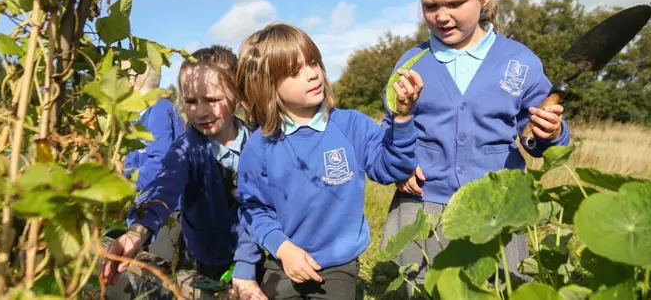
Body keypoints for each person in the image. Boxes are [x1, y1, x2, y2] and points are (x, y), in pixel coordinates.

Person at [380, 0, 571, 297]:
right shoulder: (411, 62)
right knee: (425, 289)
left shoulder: (519, 62)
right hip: (425, 208)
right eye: (431, 5)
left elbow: (536, 140)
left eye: (455, 3)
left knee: (494, 288)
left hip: (495, 210)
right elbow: (391, 129)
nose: (442, 15)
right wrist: (400, 166)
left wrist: (550, 132)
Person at [236, 22, 424, 299]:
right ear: (268, 86)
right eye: (294, 71)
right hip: (281, 262)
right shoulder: (259, 146)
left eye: (313, 63)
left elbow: (391, 167)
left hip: (338, 265)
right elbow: (254, 209)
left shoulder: (351, 125)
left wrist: (403, 118)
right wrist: (283, 249)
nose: (312, 74)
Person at [102, 46, 266, 300]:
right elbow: (165, 187)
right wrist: (138, 231)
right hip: (205, 257)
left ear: (237, 95)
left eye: (212, 100)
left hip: (254, 253)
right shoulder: (187, 148)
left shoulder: (259, 144)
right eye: (190, 102)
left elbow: (258, 208)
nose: (200, 111)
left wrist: (246, 267)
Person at [122, 61, 185, 192]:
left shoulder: (159, 109)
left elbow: (161, 159)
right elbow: (131, 160)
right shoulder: (138, 116)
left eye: (120, 76)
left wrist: (128, 186)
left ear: (131, 80)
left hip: (167, 202)